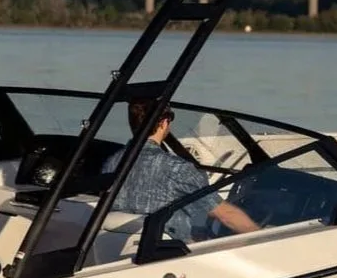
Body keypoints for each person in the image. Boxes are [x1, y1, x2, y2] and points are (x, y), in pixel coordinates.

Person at [104, 99, 260, 241]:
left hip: (123, 247)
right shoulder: (178, 168)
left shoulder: (111, 163)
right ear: (164, 123)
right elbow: (226, 215)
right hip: (172, 250)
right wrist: (261, 235)